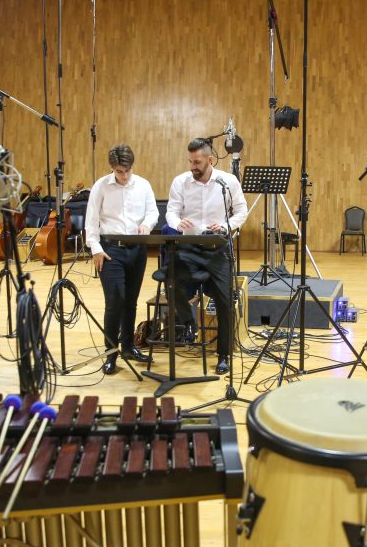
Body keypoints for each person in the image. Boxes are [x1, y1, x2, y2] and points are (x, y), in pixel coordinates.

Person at [165, 138, 249, 374]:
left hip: (217, 248)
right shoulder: (180, 182)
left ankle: (223, 354)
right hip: (189, 247)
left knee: (225, 300)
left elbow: (241, 210)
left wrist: (226, 226)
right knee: (172, 282)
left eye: (197, 162)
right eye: (190, 161)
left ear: (210, 160)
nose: (193, 166)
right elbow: (171, 211)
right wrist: (177, 223)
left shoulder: (227, 182)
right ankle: (189, 325)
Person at [85, 144, 159, 374]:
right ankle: (111, 354)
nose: (124, 176)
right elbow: (91, 220)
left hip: (136, 249)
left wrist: (147, 224)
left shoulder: (143, 185)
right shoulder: (101, 186)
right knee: (115, 301)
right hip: (110, 250)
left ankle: (128, 347)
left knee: (130, 302)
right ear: (112, 168)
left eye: (127, 171)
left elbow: (153, 212)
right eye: (119, 172)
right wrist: (95, 249)